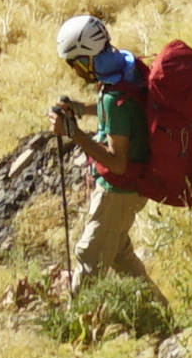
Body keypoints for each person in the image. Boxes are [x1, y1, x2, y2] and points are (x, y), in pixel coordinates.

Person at [49, 16, 158, 296]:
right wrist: (80, 109)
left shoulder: (113, 98)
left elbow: (117, 163)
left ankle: (79, 319)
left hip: (117, 192)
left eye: (74, 63)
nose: (74, 70)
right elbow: (122, 116)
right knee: (120, 254)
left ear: (86, 59)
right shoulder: (126, 69)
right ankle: (159, 314)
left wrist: (73, 132)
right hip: (134, 187)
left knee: (89, 257)